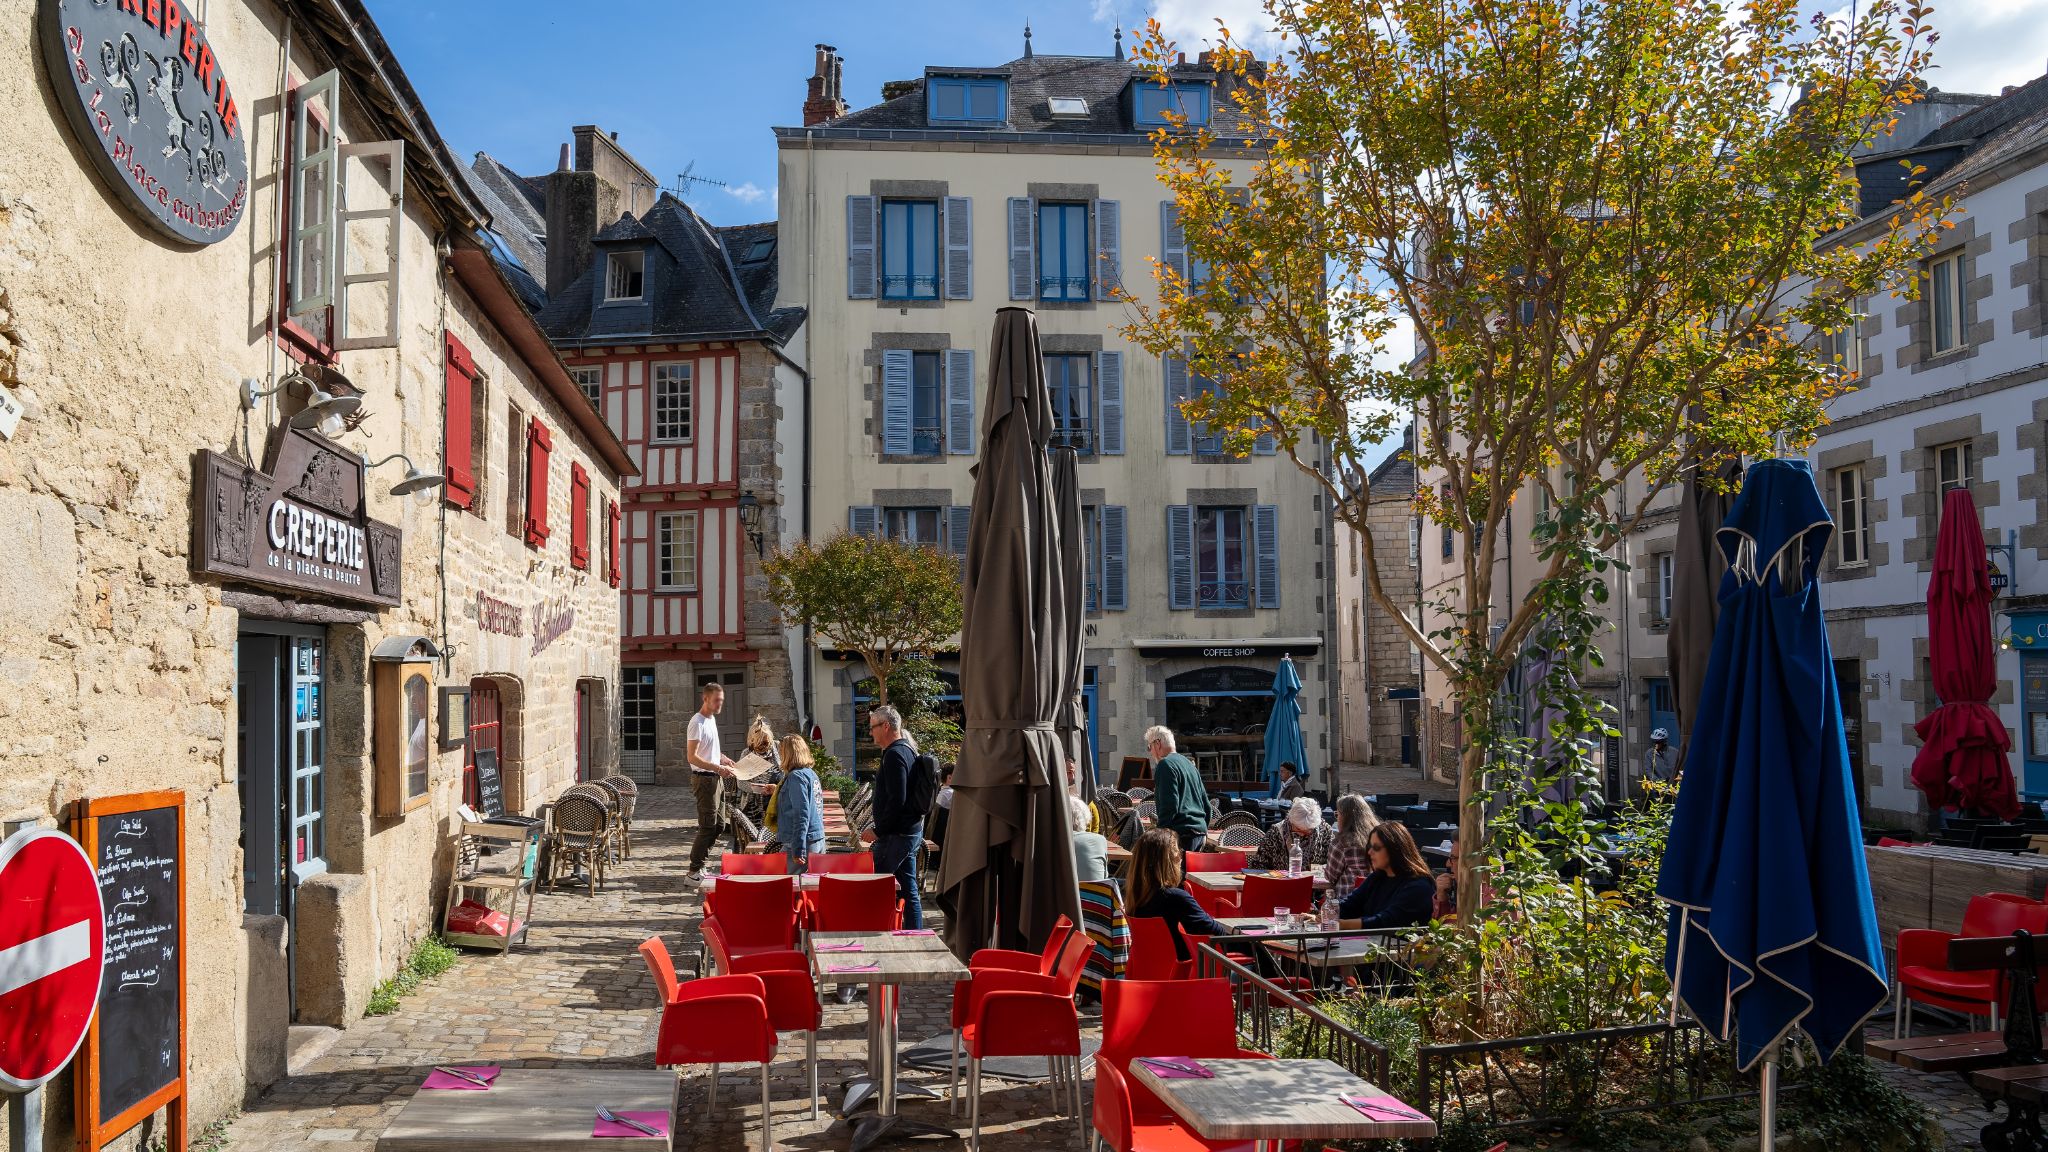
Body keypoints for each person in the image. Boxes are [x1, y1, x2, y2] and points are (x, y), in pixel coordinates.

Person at [1126, 828, 1232, 962]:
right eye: (1178, 851)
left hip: (1152, 970)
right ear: (1167, 860)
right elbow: (1217, 933)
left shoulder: (1136, 896)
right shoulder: (1175, 898)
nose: (1181, 855)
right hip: (1187, 972)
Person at [863, 706, 925, 929]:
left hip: (897, 835)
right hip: (908, 831)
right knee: (909, 888)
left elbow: (897, 800)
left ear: (886, 726)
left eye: (873, 728)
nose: (871, 733)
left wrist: (878, 831)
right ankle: (913, 934)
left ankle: (879, 930)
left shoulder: (895, 754)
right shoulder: (906, 749)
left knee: (876, 884)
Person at [1335, 821, 1437, 931]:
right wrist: (1328, 912)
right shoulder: (1377, 877)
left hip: (1399, 946)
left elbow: (1386, 921)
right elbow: (1349, 905)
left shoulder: (1419, 886)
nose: (1369, 852)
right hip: (1372, 943)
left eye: (1376, 848)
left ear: (1395, 849)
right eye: (1369, 846)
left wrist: (1342, 924)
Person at [685, 682, 737, 881]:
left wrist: (721, 757)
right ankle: (693, 871)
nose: (719, 704)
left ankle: (701, 865)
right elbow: (692, 757)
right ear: (705, 698)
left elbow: (709, 749)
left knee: (720, 826)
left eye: (721, 701)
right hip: (705, 780)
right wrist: (717, 767)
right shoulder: (696, 723)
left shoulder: (711, 720)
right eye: (716, 701)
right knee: (707, 826)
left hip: (716, 778)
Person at [1146, 726, 1210, 852]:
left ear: (1157, 744)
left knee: (1175, 872)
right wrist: (1203, 828)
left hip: (1181, 834)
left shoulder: (1165, 765)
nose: (1151, 752)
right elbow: (1206, 805)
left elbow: (1169, 805)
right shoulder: (1189, 765)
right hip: (1199, 833)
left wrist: (1160, 835)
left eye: (1149, 747)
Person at [771, 734, 826, 871]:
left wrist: (798, 847)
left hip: (801, 842)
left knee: (786, 886)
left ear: (787, 753)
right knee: (808, 888)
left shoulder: (796, 777)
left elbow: (801, 813)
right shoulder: (810, 773)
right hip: (816, 838)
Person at [1250, 796, 1332, 872]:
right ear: (1291, 820)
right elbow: (1258, 866)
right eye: (1298, 830)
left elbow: (1334, 864)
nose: (1302, 835)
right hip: (1281, 885)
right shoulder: (1276, 832)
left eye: (1308, 832)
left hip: (1315, 885)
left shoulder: (1325, 830)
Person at [1323, 795, 1381, 897]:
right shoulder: (1379, 837)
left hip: (1347, 900)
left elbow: (1331, 877)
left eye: (1338, 815)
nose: (1337, 819)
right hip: (1376, 899)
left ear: (1344, 817)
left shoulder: (1341, 843)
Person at [1069, 795, 1110, 882]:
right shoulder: (1101, 841)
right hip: (1096, 894)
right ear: (1085, 817)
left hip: (1065, 894)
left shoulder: (1056, 841)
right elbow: (1104, 876)